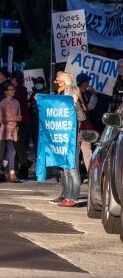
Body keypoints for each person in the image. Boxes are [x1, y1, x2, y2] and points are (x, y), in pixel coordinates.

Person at [50, 71, 85, 207]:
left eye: (58, 81)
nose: (56, 84)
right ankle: (68, 196)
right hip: (62, 138)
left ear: (64, 83)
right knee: (65, 168)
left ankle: (73, 197)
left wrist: (75, 105)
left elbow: (81, 117)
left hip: (73, 139)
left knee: (72, 168)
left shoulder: (73, 98)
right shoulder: (62, 98)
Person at [0, 83, 22, 183]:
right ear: (6, 92)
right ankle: (12, 174)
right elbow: (0, 119)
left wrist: (16, 122)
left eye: (14, 89)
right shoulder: (2, 103)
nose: (13, 91)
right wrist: (13, 119)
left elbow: (19, 117)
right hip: (5, 130)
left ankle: (2, 170)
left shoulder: (17, 102)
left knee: (8, 153)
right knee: (12, 151)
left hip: (14, 129)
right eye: (10, 89)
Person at [76, 73, 100, 177]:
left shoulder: (85, 94)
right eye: (87, 82)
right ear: (83, 83)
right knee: (82, 151)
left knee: (86, 150)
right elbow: (82, 114)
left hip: (83, 127)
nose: (88, 84)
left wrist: (93, 95)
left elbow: (89, 107)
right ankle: (88, 175)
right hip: (79, 128)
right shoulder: (77, 96)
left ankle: (90, 174)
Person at [11, 71, 33, 179]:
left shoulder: (18, 92)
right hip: (24, 121)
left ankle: (24, 168)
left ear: (15, 79)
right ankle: (24, 165)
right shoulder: (22, 91)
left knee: (19, 146)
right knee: (19, 146)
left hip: (20, 122)